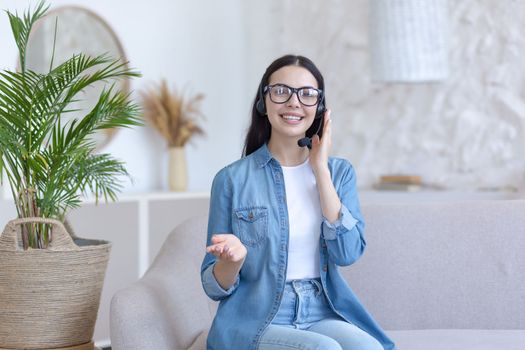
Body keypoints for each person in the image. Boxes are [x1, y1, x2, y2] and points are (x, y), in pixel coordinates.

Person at [201, 54, 396, 350]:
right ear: (263, 102)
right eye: (281, 91)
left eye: (307, 94)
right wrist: (233, 261)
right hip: (256, 318)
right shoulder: (232, 179)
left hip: (321, 310)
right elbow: (213, 286)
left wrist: (320, 170)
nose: (294, 102)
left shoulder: (339, 173)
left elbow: (348, 253)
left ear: (319, 107)